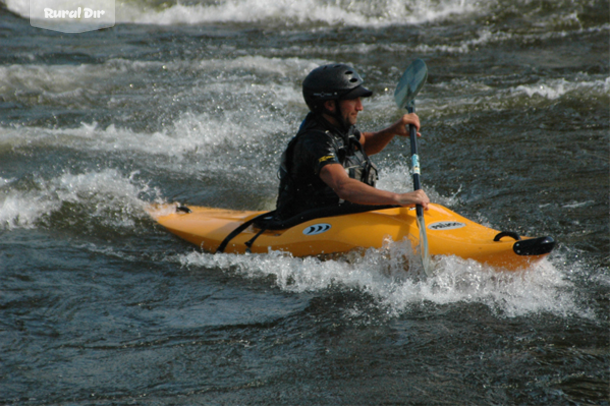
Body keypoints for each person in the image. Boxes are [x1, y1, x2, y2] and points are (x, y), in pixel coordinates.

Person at [275, 63, 430, 221]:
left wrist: (392, 130)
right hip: (303, 224)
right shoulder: (315, 141)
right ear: (329, 105)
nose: (360, 107)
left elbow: (365, 145)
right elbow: (343, 187)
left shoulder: (339, 126)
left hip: (336, 216)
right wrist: (398, 198)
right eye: (353, 99)